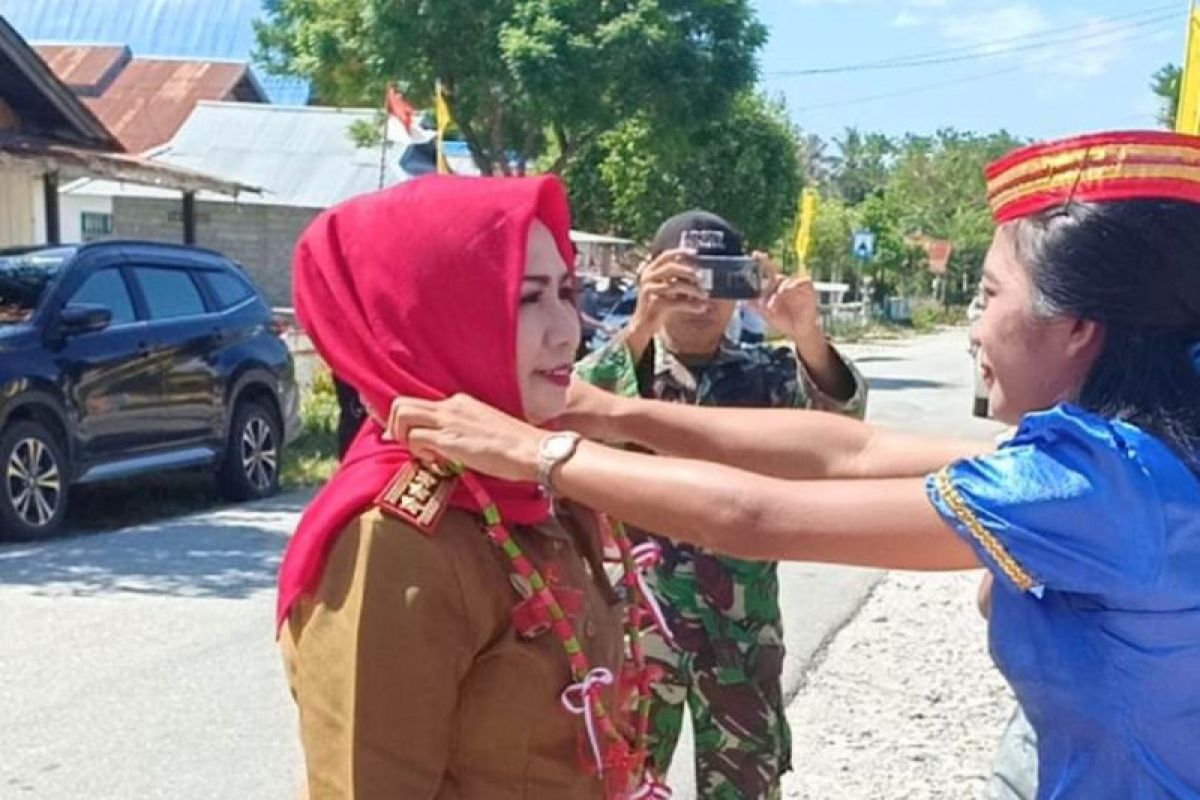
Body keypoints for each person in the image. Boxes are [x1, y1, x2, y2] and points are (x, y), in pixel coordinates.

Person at [383, 130, 1200, 797]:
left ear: (1077, 327)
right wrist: (608, 410)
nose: (973, 330)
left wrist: (537, 452)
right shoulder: (1130, 459)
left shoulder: (1086, 484)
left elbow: (756, 515)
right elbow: (852, 450)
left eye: (988, 297)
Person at [276, 175, 667, 799]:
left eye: (565, 292)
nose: (567, 330)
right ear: (433, 313)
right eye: (527, 298)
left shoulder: (531, 482)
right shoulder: (392, 541)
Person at [576, 210, 865, 799]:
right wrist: (638, 325)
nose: (702, 298)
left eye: (720, 279)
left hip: (740, 636)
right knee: (617, 781)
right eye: (685, 279)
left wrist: (804, 331)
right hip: (635, 631)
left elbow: (844, 434)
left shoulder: (770, 378)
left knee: (745, 790)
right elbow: (570, 419)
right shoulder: (627, 372)